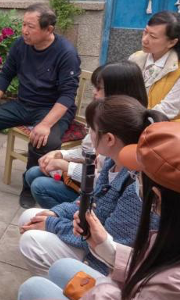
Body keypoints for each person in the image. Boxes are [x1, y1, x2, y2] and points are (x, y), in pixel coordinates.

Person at [17, 121, 180, 300]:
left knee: (33, 286)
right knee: (58, 266)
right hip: (116, 273)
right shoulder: (167, 234)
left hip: (107, 278)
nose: (135, 177)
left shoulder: (170, 280)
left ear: (157, 196)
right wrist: (106, 246)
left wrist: (54, 224)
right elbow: (143, 263)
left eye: (139, 174)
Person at [17, 95, 165, 276]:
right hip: (94, 239)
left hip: (106, 263)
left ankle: (63, 283)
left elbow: (105, 243)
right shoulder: (113, 162)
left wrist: (52, 224)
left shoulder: (137, 187)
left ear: (109, 139)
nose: (89, 134)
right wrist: (57, 213)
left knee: (31, 241)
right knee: (30, 217)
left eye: (92, 129)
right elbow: (87, 203)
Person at [0, 3, 82, 209]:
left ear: (49, 29)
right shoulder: (20, 45)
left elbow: (68, 95)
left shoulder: (65, 53)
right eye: (23, 24)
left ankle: (30, 186)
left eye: (30, 26)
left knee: (44, 140)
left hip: (52, 109)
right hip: (24, 104)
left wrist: (45, 124)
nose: (24, 31)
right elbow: (6, 74)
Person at [25, 61, 148, 209]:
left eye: (99, 88)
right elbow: (89, 151)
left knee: (40, 185)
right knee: (34, 173)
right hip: (92, 183)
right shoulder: (105, 116)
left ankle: (70, 217)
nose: (94, 92)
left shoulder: (126, 131)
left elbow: (104, 182)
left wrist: (66, 166)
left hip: (99, 197)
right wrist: (61, 154)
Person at [129, 10, 180, 121]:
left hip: (162, 127)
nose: (145, 40)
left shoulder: (177, 70)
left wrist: (137, 123)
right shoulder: (135, 58)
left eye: (153, 36)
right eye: (145, 32)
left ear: (172, 42)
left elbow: (169, 108)